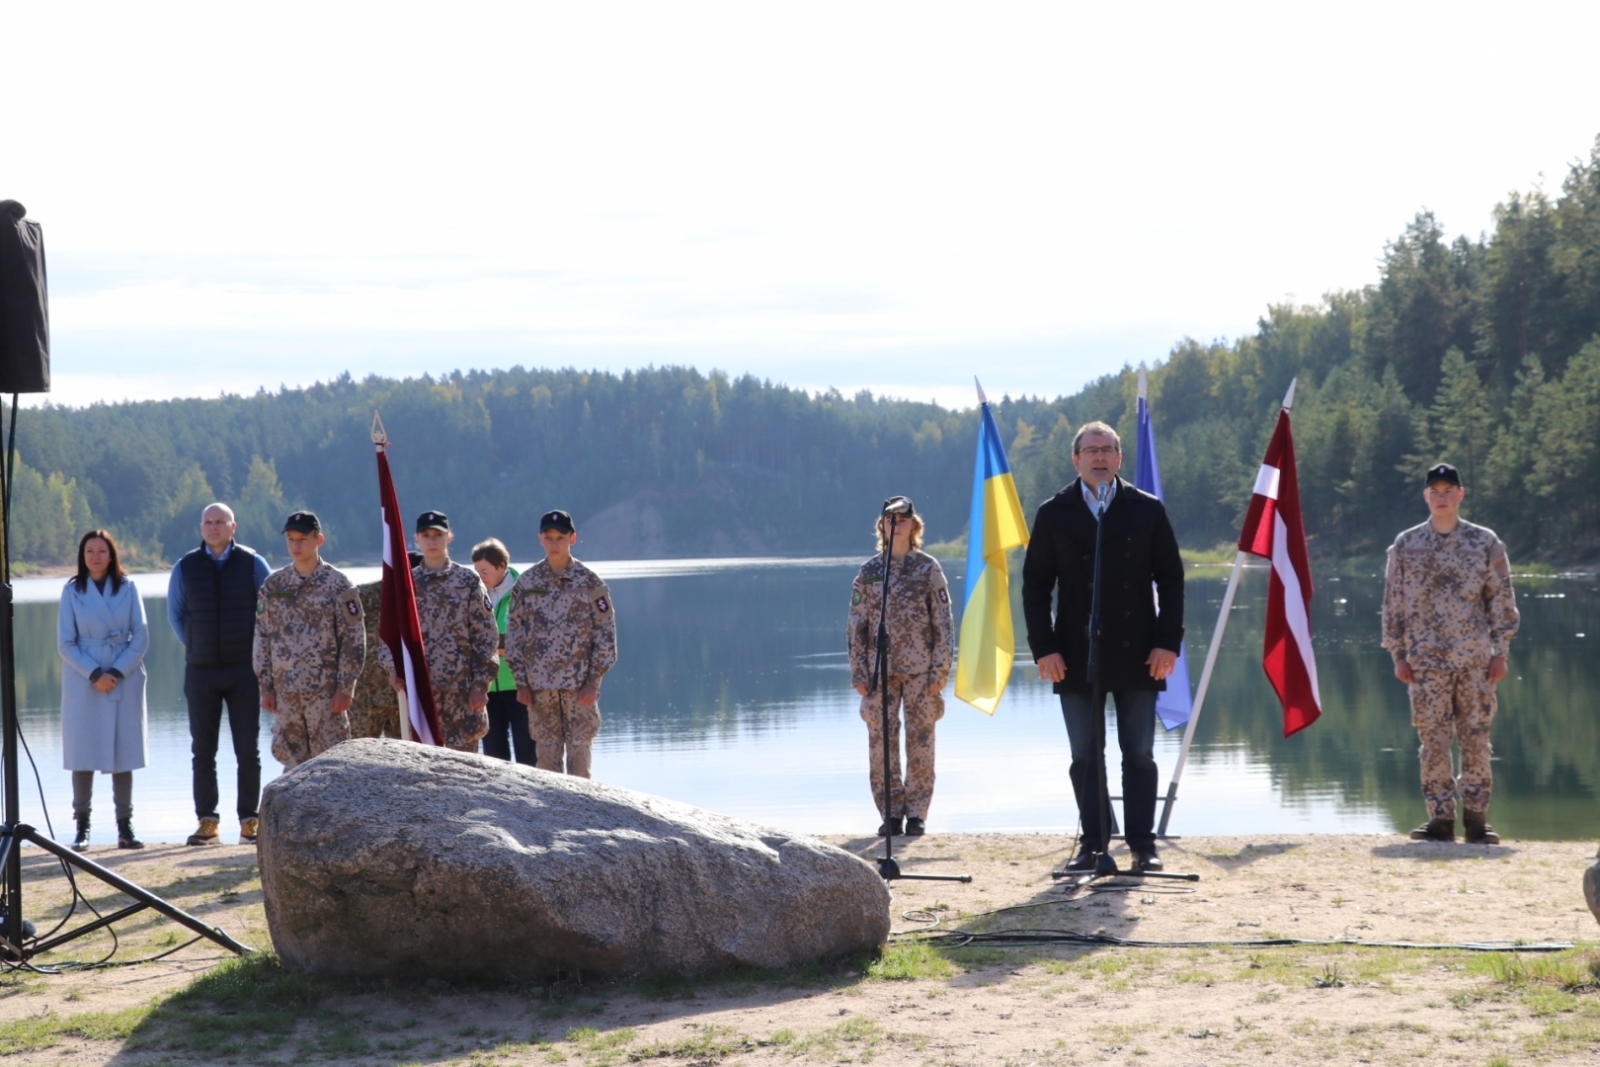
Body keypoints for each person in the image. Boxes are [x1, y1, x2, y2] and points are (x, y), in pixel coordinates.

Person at [1021, 421, 1184, 873]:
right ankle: (1093, 844)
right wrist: (1044, 648)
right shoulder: (1054, 512)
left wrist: (1168, 643)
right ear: (1075, 459)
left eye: (1107, 450)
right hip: (1074, 653)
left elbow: (1171, 580)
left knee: (1139, 754)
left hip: (1139, 653)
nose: (1099, 457)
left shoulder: (1145, 509)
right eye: (1090, 450)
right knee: (1085, 755)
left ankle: (1142, 847)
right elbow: (1035, 587)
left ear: (1118, 458)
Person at [1383, 463, 1519, 845]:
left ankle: (1477, 820)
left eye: (1449, 490)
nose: (1442, 497)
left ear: (1461, 494)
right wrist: (1398, 653)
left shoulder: (1484, 542)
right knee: (1433, 743)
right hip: (1425, 664)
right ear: (1426, 496)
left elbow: (1501, 599)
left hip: (1476, 660)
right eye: (1435, 491)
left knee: (1476, 739)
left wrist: (1501, 651)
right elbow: (1393, 603)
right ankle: (1440, 819)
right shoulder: (1406, 545)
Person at [846, 499, 954, 837]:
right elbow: (855, 625)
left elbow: (944, 623)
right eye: (890, 520)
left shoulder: (928, 568)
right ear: (882, 526)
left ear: (914, 526)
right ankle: (891, 814)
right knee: (881, 746)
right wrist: (859, 673)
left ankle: (917, 813)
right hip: (879, 674)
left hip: (922, 672)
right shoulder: (870, 571)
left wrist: (940, 672)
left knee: (921, 744)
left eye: (903, 519)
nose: (897, 525)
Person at [167, 502, 271, 847]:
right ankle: (207, 821)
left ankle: (249, 820)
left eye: (220, 521)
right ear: (201, 528)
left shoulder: (254, 564)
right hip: (201, 672)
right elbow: (176, 616)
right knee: (203, 750)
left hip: (245, 671)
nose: (213, 527)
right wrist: (197, 645)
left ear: (233, 526)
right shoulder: (185, 567)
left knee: (248, 749)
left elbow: (269, 612)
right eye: (208, 522)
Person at [505, 510, 616, 778]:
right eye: (549, 537)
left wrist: (593, 681)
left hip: (580, 688)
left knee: (579, 759)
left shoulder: (590, 582)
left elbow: (606, 635)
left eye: (560, 537)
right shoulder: (527, 582)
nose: (554, 544)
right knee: (546, 759)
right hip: (540, 689)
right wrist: (521, 681)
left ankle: (583, 816)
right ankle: (549, 819)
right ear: (540, 539)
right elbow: (515, 633)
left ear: (572, 538)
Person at [58, 530, 150, 851]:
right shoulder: (72, 591)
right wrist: (95, 673)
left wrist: (116, 671)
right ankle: (82, 827)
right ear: (82, 557)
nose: (95, 557)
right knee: (82, 753)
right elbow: (65, 643)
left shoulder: (129, 587)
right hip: (83, 679)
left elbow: (140, 636)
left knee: (122, 753)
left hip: (122, 674)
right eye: (89, 552)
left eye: (101, 551)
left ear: (111, 555)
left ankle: (125, 827)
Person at [378, 512, 499, 751]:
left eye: (438, 535)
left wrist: (481, 685)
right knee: (424, 769)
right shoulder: (406, 584)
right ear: (417, 539)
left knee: (465, 769)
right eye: (426, 535)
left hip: (462, 693)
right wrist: (391, 668)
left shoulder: (468, 581)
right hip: (422, 693)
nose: (432, 541)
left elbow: (486, 636)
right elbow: (389, 636)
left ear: (449, 537)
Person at [253, 511, 365, 768]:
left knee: (331, 766)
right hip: (286, 695)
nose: (296, 545)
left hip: (326, 696)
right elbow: (262, 637)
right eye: (291, 539)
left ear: (319, 540)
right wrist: (266, 687)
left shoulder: (338, 585)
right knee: (292, 768)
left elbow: (354, 640)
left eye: (302, 539)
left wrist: (345, 688)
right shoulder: (274, 585)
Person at [472, 537, 533, 764]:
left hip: (521, 687)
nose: (480, 577)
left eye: (485, 571)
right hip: (487, 689)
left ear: (502, 566)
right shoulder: (475, 595)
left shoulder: (526, 593)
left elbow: (537, 639)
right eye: (477, 571)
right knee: (494, 755)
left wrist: (509, 648)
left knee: (528, 754)